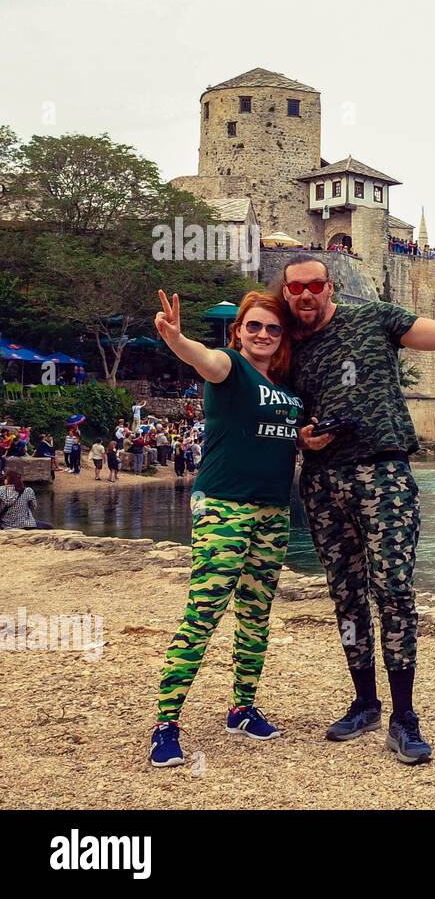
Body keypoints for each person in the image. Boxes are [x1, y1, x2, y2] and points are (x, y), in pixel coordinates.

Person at [282, 240, 435, 764]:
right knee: (346, 597)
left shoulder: (375, 319)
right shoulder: (287, 347)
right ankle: (365, 702)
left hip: (383, 473)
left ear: (329, 287)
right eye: (295, 288)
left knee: (395, 593)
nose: (306, 295)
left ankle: (404, 717)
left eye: (314, 285)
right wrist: (302, 437)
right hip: (321, 481)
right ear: (287, 294)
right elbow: (273, 412)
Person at [147, 289, 303, 769]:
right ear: (238, 330)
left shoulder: (287, 384)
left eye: (272, 329)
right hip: (223, 507)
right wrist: (177, 340)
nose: (262, 335)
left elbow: (286, 436)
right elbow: (204, 360)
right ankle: (166, 724)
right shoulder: (229, 367)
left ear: (282, 338)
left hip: (273, 511)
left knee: (256, 615)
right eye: (253, 326)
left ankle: (242, 708)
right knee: (205, 612)